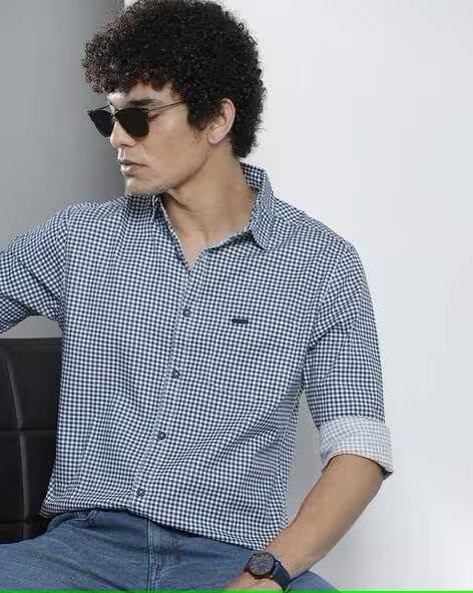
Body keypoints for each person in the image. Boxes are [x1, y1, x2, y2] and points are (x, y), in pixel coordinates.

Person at [0, 0, 394, 590]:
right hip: (81, 552)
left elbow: (358, 450)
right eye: (108, 119)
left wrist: (265, 575)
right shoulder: (78, 239)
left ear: (216, 120)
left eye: (139, 117)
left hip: (234, 556)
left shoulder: (322, 264)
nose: (117, 138)